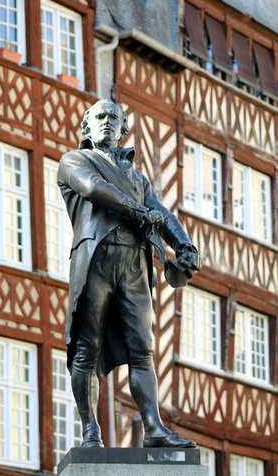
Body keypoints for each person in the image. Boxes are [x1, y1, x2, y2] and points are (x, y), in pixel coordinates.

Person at [57, 99, 202, 449]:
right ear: (87, 126)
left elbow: (161, 212)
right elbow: (93, 188)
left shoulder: (137, 176)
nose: (108, 122)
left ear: (124, 130)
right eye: (100, 116)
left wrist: (184, 245)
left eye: (115, 118)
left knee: (144, 348)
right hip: (96, 258)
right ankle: (91, 431)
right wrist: (138, 212)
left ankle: (153, 427)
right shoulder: (74, 160)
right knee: (86, 348)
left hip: (136, 263)